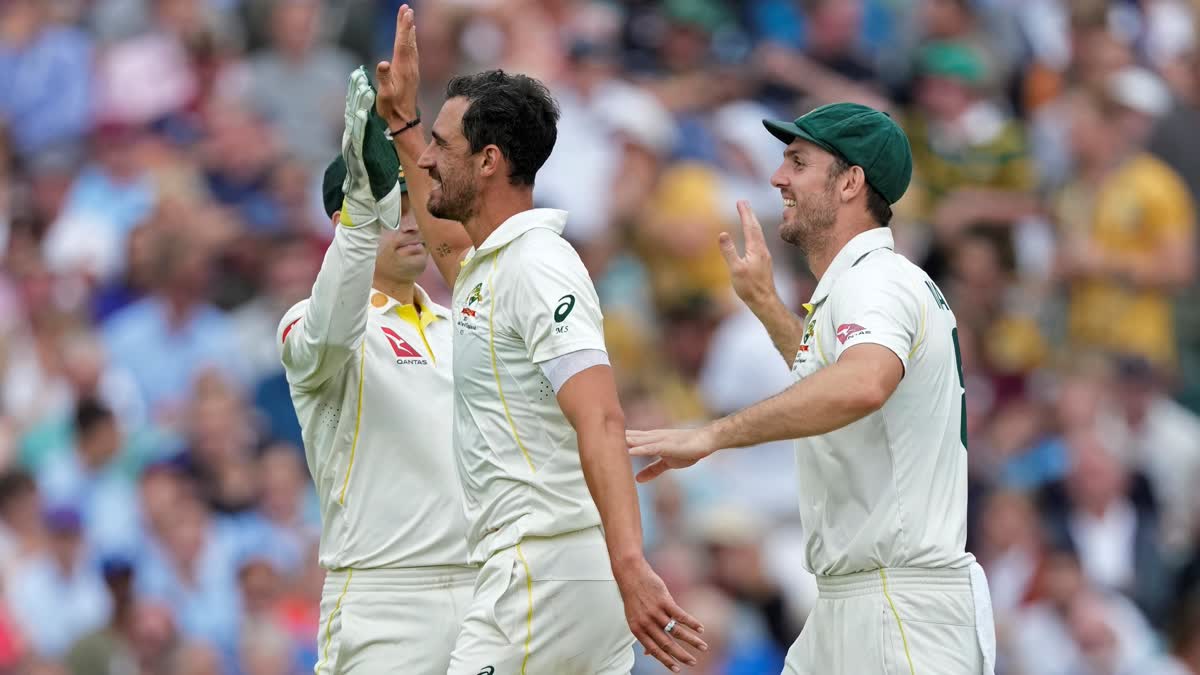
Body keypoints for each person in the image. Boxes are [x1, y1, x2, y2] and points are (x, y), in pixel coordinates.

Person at [372, 6, 705, 673]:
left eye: (442, 145)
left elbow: (602, 415)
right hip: (552, 567)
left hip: (545, 566)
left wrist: (631, 562)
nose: (428, 160)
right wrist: (402, 125)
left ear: (489, 161)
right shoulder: (495, 264)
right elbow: (446, 242)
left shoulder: (537, 265)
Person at [626, 102, 996, 675]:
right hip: (856, 601)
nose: (778, 178)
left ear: (851, 182)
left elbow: (863, 384)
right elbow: (829, 375)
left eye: (798, 162)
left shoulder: (877, 280)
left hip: (897, 608)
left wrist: (712, 436)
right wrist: (766, 304)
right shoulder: (864, 283)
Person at [277, 68, 474, 673]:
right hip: (383, 597)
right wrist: (365, 215)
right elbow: (333, 329)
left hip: (482, 593)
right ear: (347, 218)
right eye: (392, 206)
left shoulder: (457, 324)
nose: (412, 220)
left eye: (413, 201)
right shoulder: (308, 324)